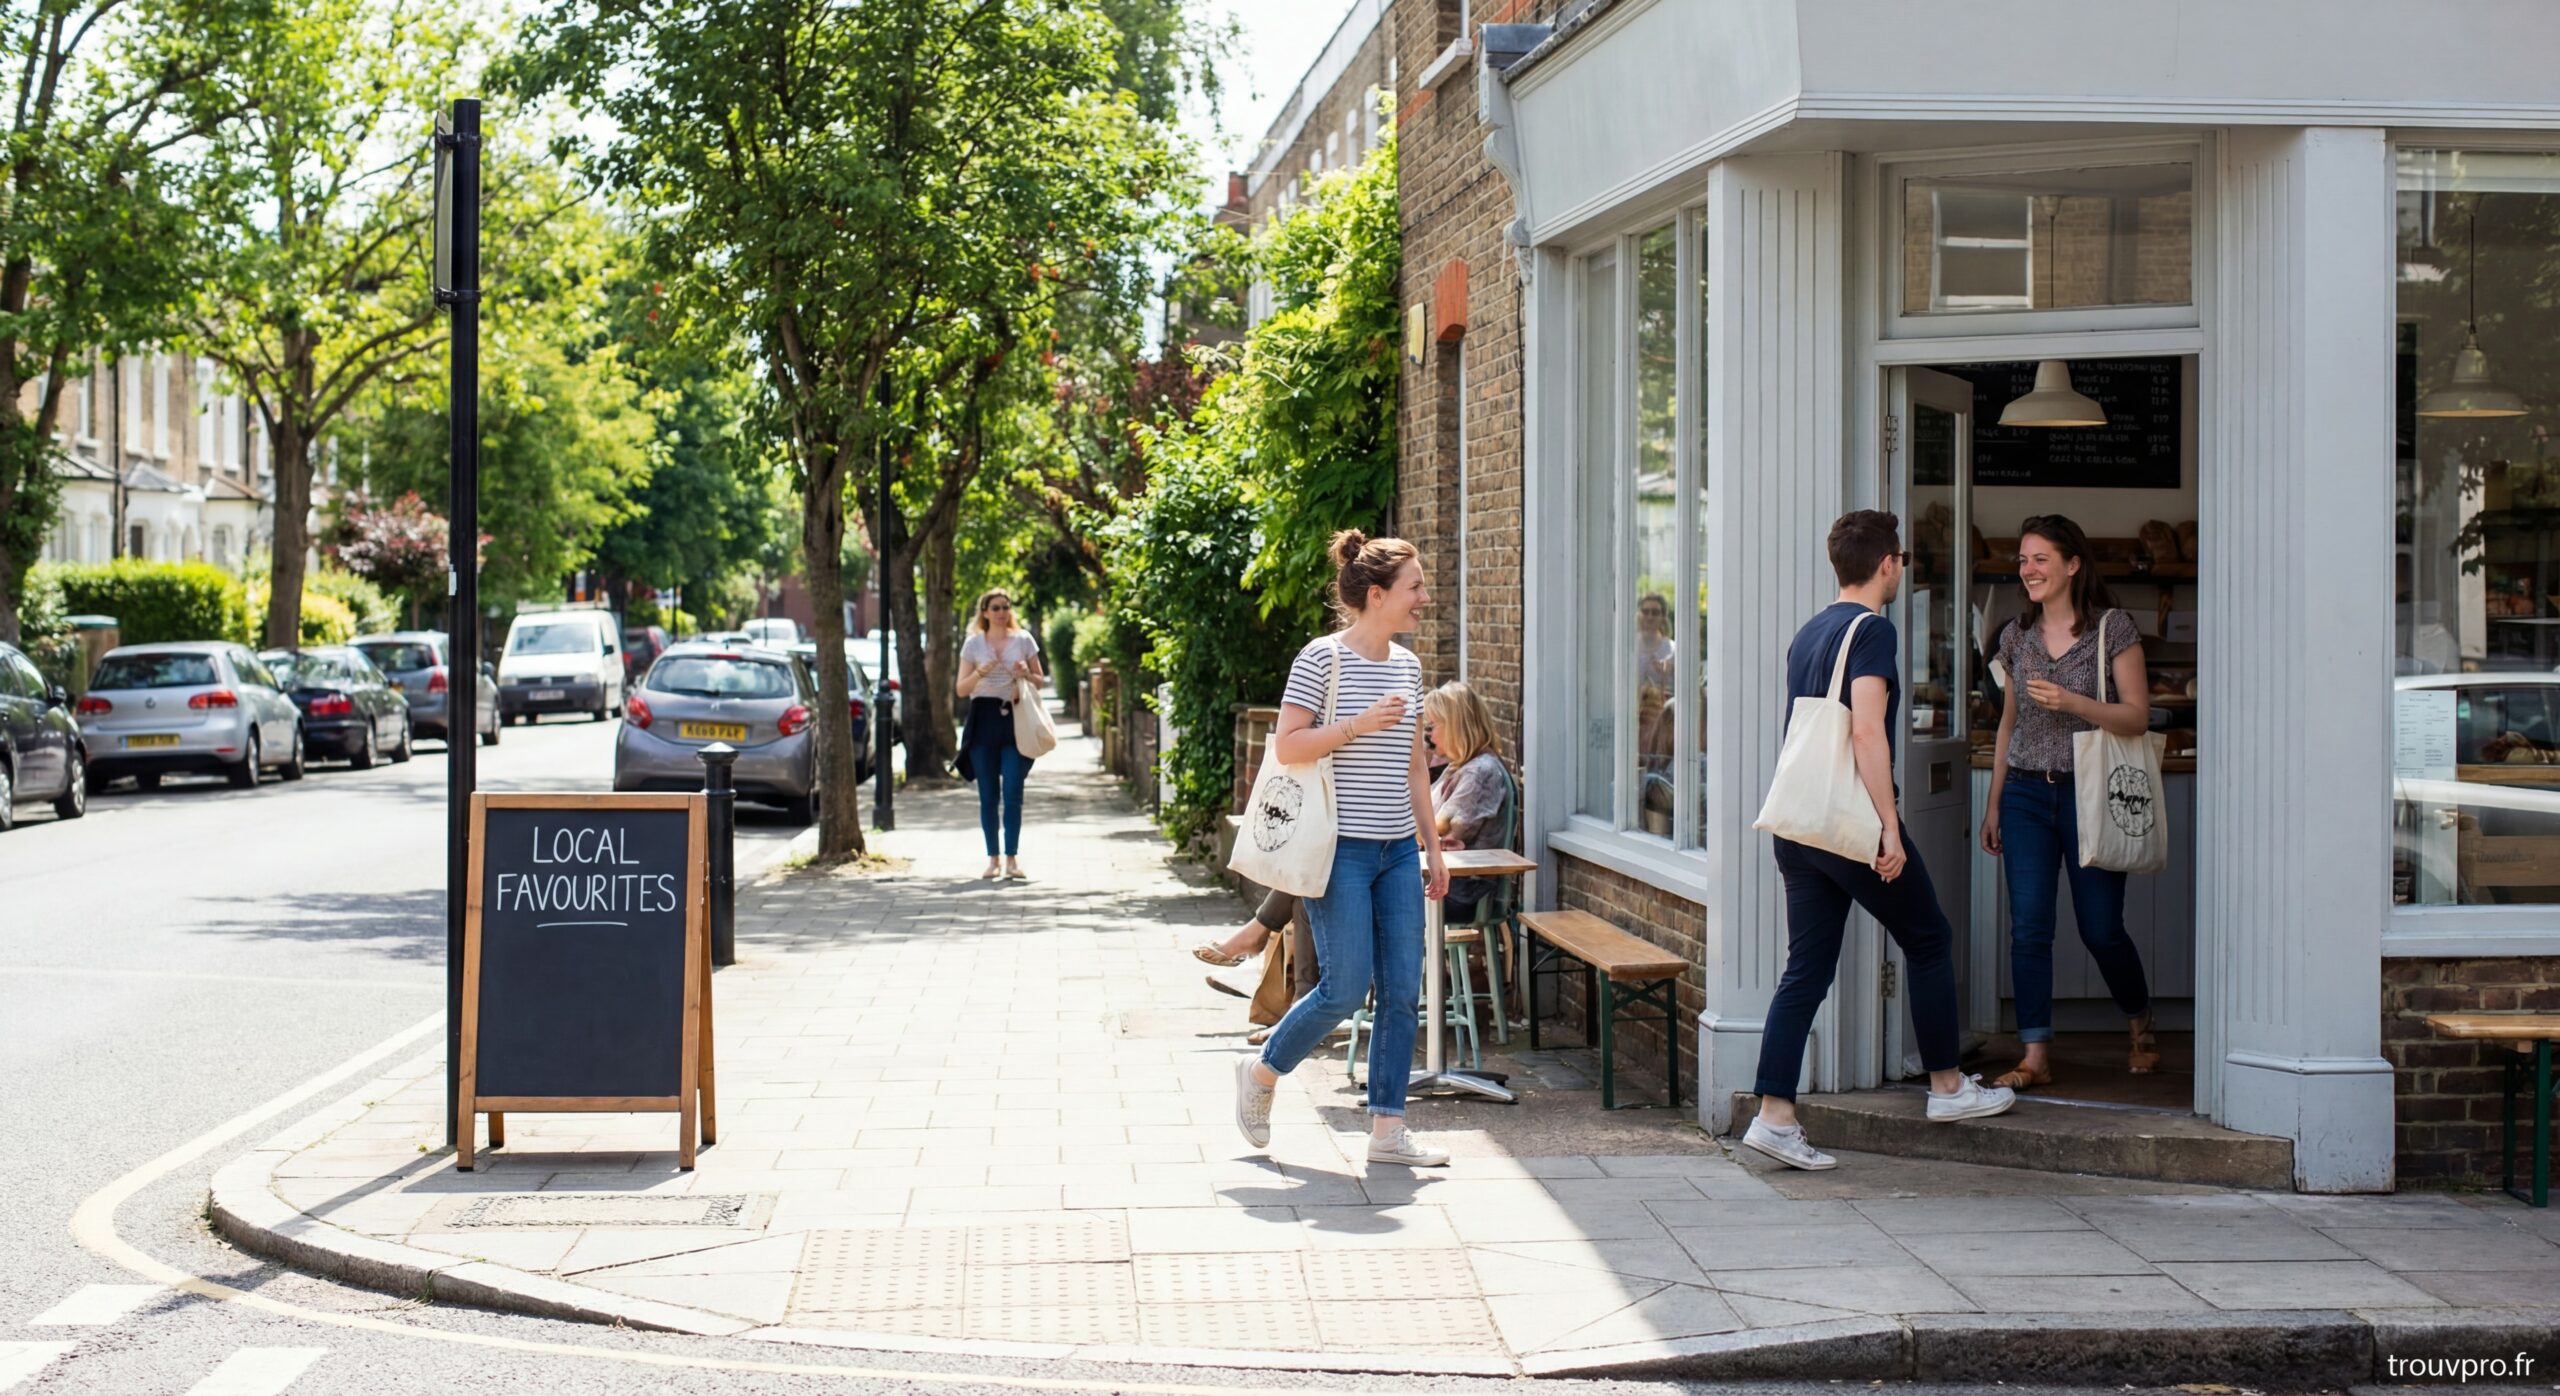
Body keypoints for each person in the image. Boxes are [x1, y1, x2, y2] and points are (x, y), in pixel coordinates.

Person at [1742, 510, 2015, 1172]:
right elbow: (1866, 731)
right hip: (1848, 825)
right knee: (1928, 939)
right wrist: (1889, 827)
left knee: (1805, 967)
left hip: (1800, 824)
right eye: (1902, 560)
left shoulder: (1810, 632)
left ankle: (1774, 1115)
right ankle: (1948, 1087)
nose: (1902, 570)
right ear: (1887, 563)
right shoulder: (1872, 631)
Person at [1232, 529, 1450, 1169]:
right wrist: (1356, 726)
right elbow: (1289, 746)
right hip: (1341, 852)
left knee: (1403, 989)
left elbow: (1414, 768)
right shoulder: (1321, 659)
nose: (1425, 598)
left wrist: (1431, 849)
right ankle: (1263, 1073)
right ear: (1377, 594)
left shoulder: (1408, 667)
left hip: (1395, 854)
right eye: (1415, 588)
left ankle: (1386, 1131)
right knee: (1345, 987)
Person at [1981, 515, 2158, 1089]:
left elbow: (2137, 716)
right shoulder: (2015, 637)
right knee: (2029, 929)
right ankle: (2035, 1056)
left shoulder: (2114, 629)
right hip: (2028, 795)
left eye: (2040, 559)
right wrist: (1994, 803)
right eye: (2023, 560)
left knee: (2100, 928)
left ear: (2072, 565)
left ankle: (2139, 1018)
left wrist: (2073, 701)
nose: (2027, 569)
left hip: (2091, 794)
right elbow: (2008, 724)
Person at [955, 589, 1046, 880]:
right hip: (983, 721)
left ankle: (1012, 859)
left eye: (1006, 607)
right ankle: (992, 859)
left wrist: (1025, 673)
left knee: (1013, 791)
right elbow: (961, 689)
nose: (1002, 612)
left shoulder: (1023, 640)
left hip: (1015, 720)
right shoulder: (973, 645)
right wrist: (980, 672)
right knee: (988, 795)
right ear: (984, 612)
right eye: (995, 607)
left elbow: (1040, 681)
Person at [1424, 681, 1509, 927]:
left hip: (1462, 889)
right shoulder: (1460, 766)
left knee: (1375, 895)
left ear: (1456, 727)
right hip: (1445, 881)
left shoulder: (1480, 773)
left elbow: (1438, 829)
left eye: (1433, 726)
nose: (1429, 735)